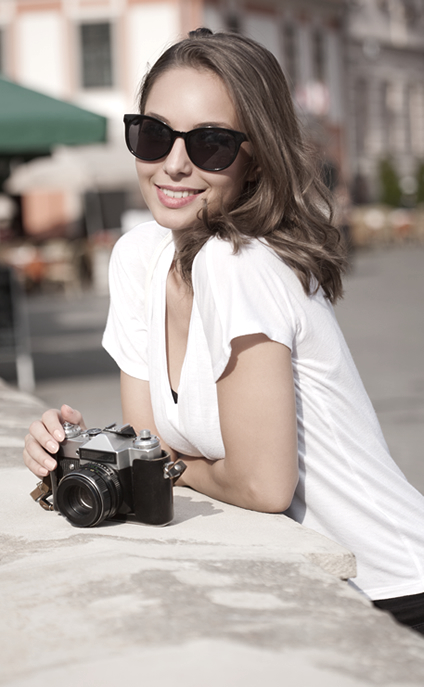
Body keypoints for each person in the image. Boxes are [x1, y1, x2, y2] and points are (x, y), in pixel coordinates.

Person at [23, 29, 424, 633]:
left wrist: (158, 465)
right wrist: (77, 448)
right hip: (308, 586)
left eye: (211, 144)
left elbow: (262, 484)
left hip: (390, 588)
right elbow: (152, 442)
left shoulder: (238, 262)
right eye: (153, 134)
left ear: (255, 157)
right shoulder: (139, 257)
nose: (174, 163)